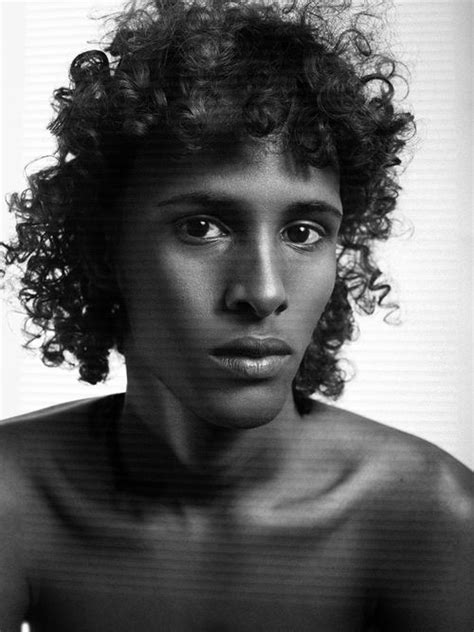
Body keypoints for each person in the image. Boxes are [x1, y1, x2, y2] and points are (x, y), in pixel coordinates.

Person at [0, 0, 472, 630]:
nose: (265, 292)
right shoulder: (12, 499)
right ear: (105, 248)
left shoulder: (433, 516)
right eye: (201, 227)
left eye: (304, 232)